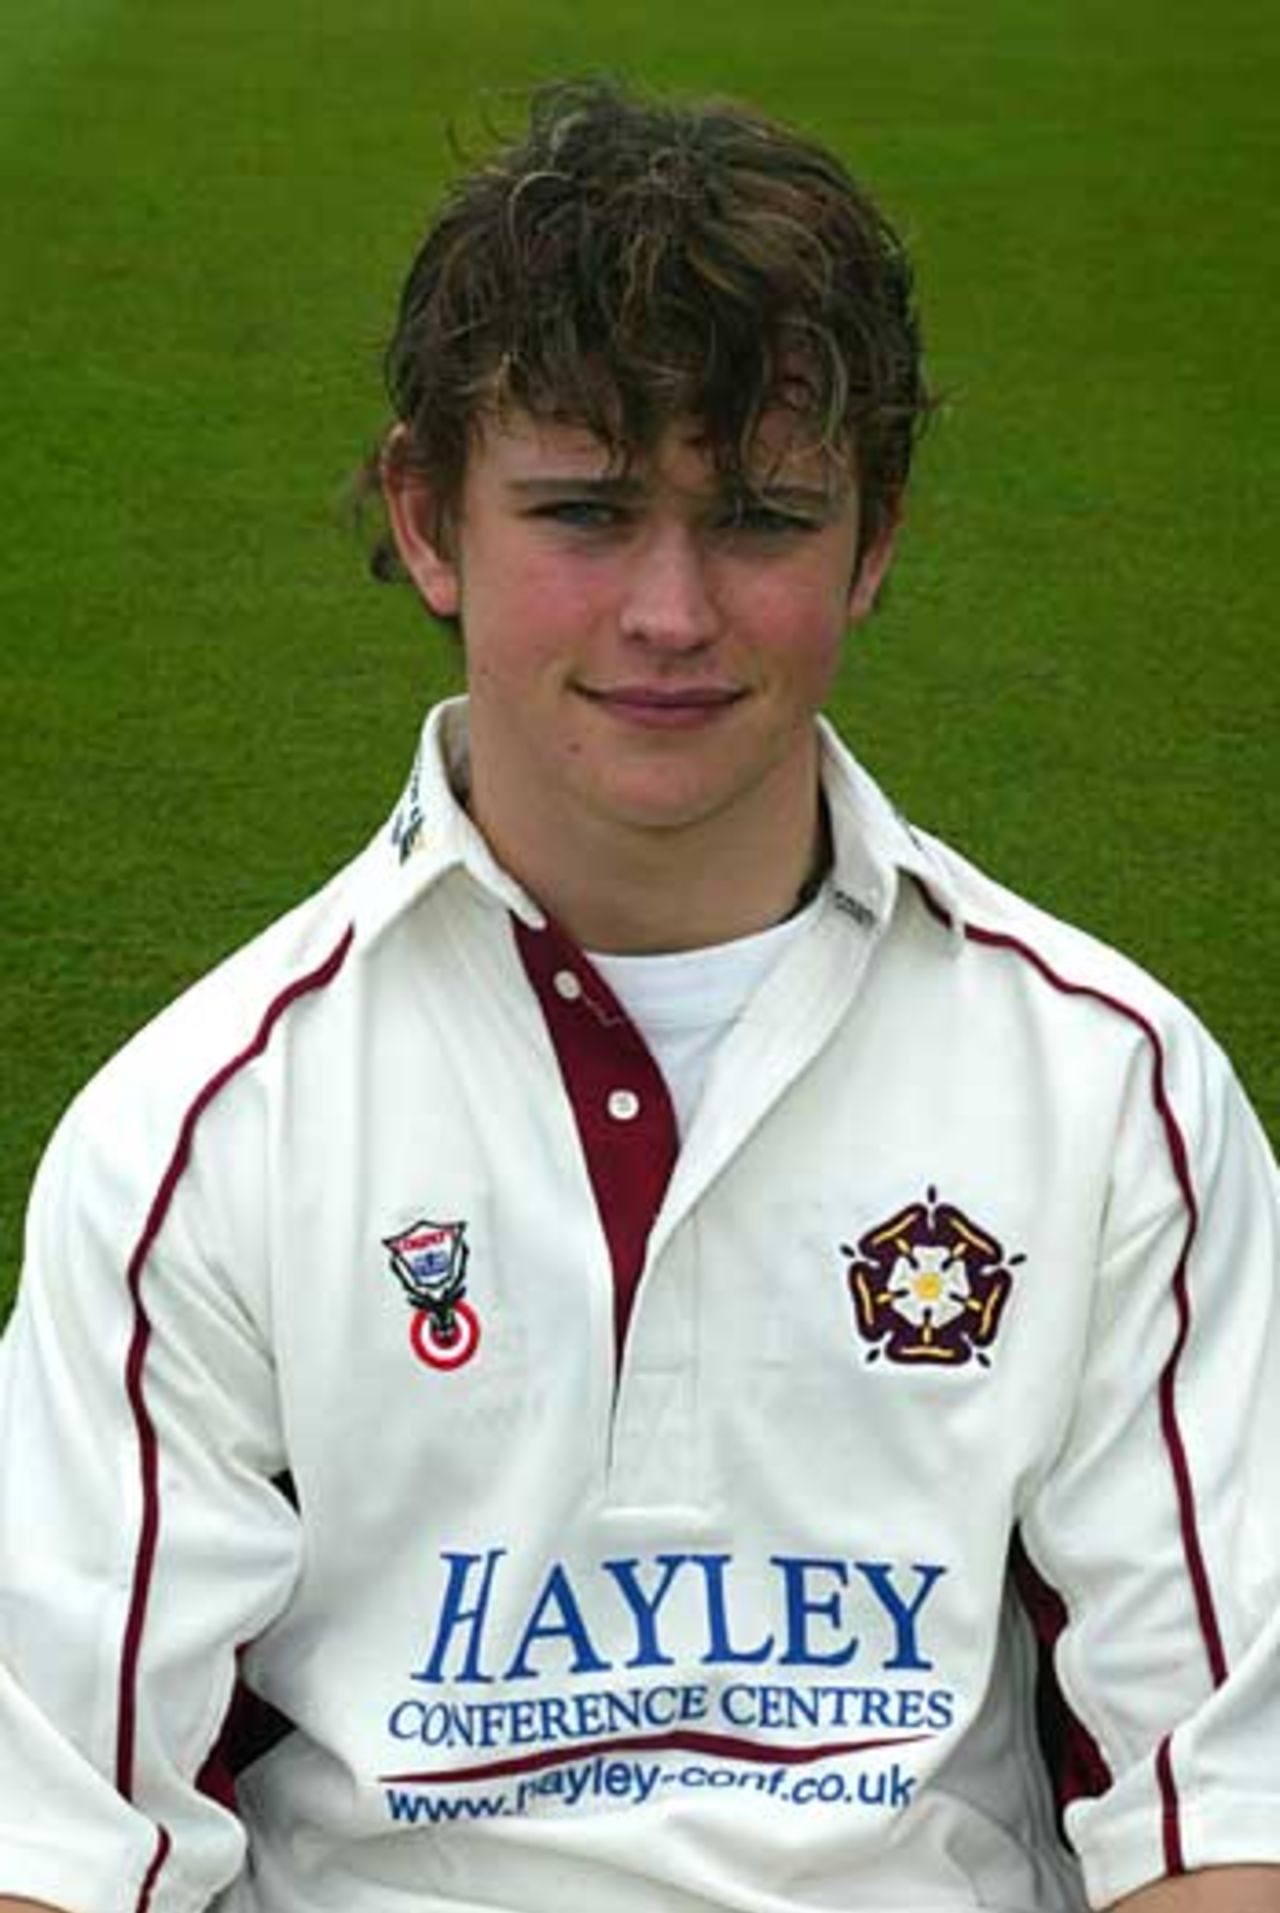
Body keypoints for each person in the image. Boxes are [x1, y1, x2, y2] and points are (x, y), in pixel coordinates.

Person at [0, 77, 1277, 1913]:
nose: (672, 612)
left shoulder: (1110, 1088)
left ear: (878, 538)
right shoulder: (205, 1132)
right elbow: (62, 1833)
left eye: (759, 516)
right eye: (587, 512)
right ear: (430, 521)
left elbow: (1220, 1811)